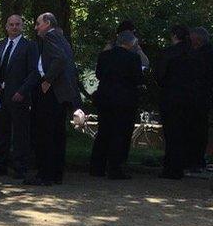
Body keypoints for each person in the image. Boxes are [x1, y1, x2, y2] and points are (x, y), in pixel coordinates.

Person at [25, 13, 81, 186]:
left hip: (52, 93)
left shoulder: (50, 37)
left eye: (38, 24)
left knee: (46, 134)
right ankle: (55, 174)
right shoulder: (61, 38)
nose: (36, 28)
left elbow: (60, 59)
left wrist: (48, 80)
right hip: (61, 94)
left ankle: (45, 175)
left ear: (47, 23)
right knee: (57, 134)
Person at [90, 30, 143, 179]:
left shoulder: (104, 56)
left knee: (104, 132)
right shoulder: (133, 58)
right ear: (131, 43)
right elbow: (138, 79)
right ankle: (115, 167)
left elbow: (99, 75)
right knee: (120, 133)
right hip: (124, 100)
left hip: (105, 98)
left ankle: (96, 167)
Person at [0, 14, 38, 178]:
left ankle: (20, 167)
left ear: (22, 26)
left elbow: (34, 72)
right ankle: (0, 165)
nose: (14, 27)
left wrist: (22, 91)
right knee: (1, 132)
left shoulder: (29, 46)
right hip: (0, 96)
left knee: (20, 134)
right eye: (11, 24)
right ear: (6, 27)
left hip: (19, 96)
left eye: (17, 24)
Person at [154, 25, 193, 179]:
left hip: (170, 97)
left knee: (171, 133)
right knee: (184, 132)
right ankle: (182, 164)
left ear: (175, 36)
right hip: (189, 97)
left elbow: (160, 75)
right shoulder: (193, 53)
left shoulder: (169, 54)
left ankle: (171, 167)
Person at [187, 27, 212, 171]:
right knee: (199, 129)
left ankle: (195, 159)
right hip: (203, 96)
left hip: (198, 96)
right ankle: (197, 159)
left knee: (197, 129)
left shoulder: (201, 55)